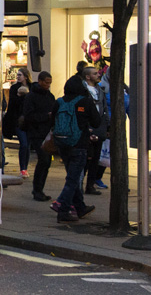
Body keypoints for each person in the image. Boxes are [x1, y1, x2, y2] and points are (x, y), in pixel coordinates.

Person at [53, 73, 100, 223]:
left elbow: (52, 120)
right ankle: (63, 209)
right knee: (73, 179)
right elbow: (97, 121)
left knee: (72, 176)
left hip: (62, 144)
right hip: (79, 144)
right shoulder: (85, 102)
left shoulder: (59, 102)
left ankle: (80, 207)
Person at [22, 71, 57, 201]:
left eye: (49, 83)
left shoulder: (50, 96)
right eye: (46, 83)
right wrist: (45, 116)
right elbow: (29, 116)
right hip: (36, 133)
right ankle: (37, 189)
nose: (48, 85)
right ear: (40, 81)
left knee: (46, 162)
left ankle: (39, 189)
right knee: (44, 160)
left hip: (47, 132)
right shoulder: (31, 97)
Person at [83, 66, 110, 195]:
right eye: (95, 73)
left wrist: (106, 127)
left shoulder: (100, 90)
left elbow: (104, 109)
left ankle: (90, 185)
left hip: (99, 128)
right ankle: (79, 184)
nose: (98, 75)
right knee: (85, 159)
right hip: (87, 128)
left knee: (95, 159)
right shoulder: (83, 90)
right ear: (88, 77)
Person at [3, 69, 32, 177]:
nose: (18, 77)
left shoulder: (32, 87)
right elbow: (12, 104)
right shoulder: (14, 88)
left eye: (20, 75)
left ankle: (25, 167)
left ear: (25, 76)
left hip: (29, 120)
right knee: (24, 144)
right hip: (18, 121)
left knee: (27, 145)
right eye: (17, 75)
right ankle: (23, 168)